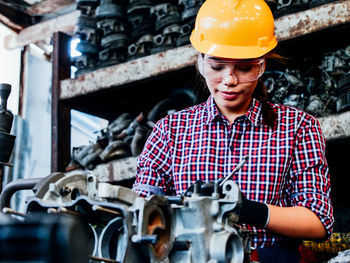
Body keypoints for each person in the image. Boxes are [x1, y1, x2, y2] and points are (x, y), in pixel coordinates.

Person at [132, 0, 334, 261]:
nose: (230, 80)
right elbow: (141, 217)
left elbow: (318, 221)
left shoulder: (297, 127)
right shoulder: (169, 131)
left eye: (245, 68)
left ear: (262, 65)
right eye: (217, 67)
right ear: (200, 62)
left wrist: (246, 209)